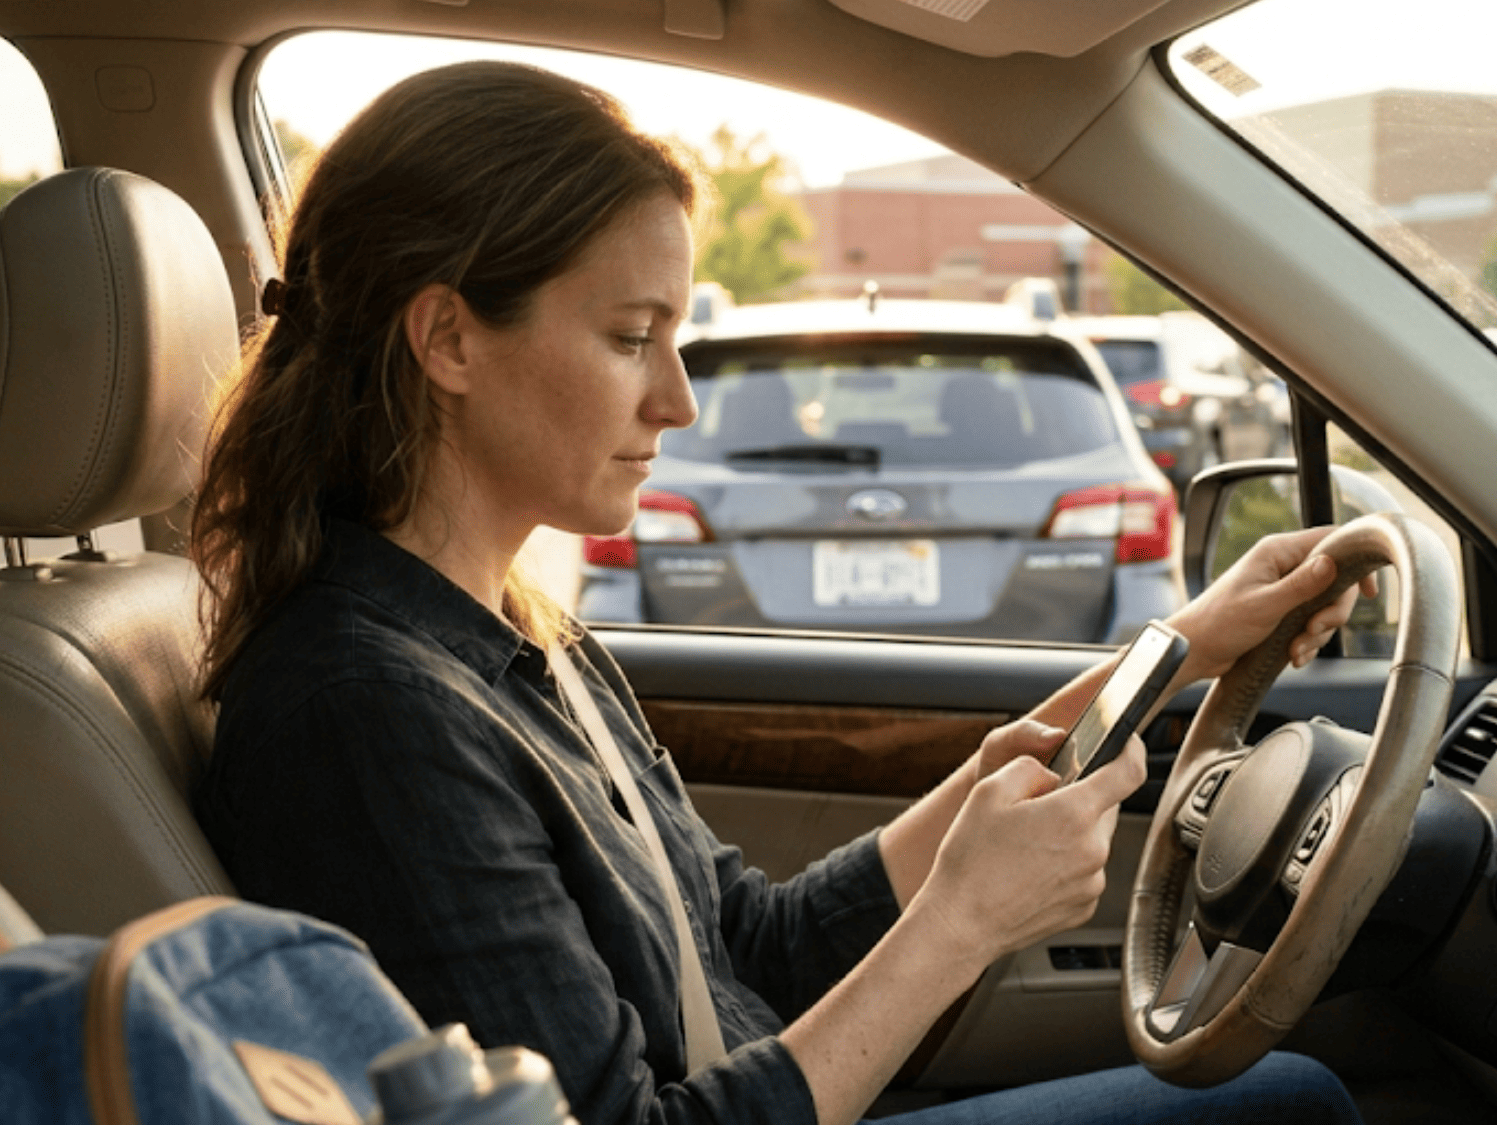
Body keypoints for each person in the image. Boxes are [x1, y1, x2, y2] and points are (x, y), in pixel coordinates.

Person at [191, 60, 1368, 1125]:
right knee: (1289, 1105)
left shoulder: (510, 638)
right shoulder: (362, 712)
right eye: (628, 337)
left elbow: (747, 945)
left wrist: (1171, 652)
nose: (677, 402)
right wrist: (961, 924)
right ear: (447, 339)